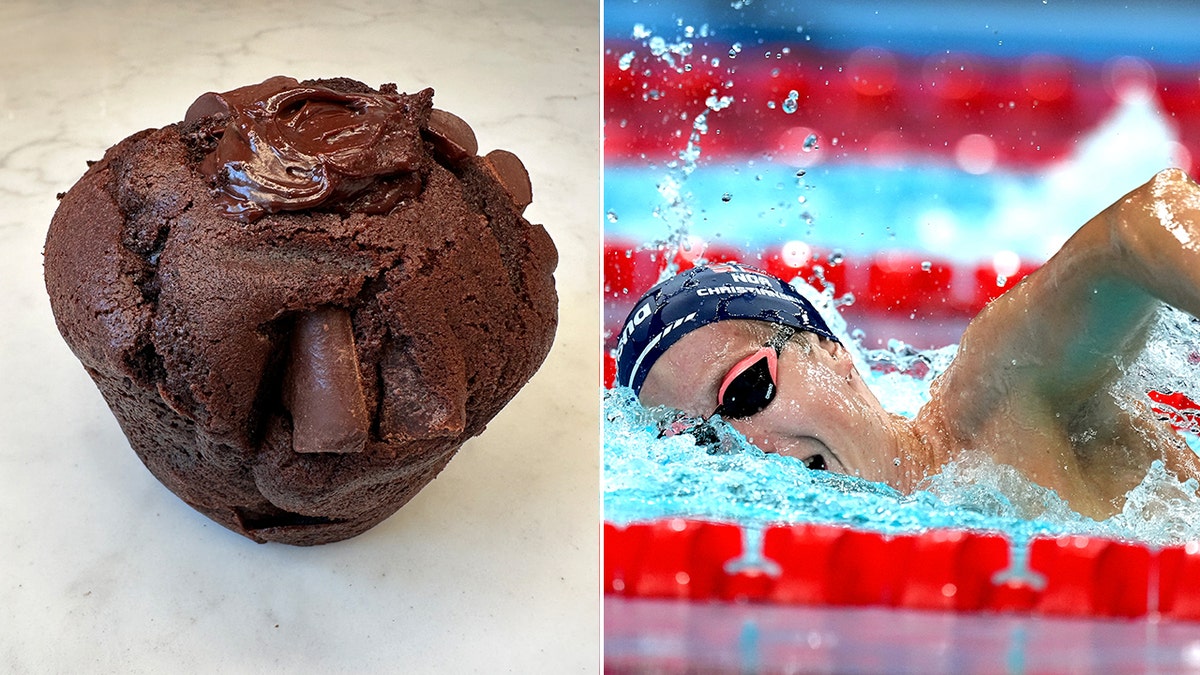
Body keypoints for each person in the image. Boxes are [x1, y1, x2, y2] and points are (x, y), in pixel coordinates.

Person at [614, 168, 1200, 520]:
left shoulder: (994, 406)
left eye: (747, 390)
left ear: (831, 353)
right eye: (705, 440)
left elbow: (1140, 226)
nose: (749, 447)